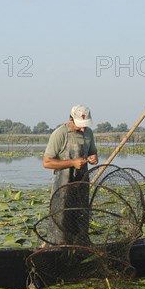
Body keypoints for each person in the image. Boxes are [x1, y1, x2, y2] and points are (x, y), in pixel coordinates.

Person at [43, 105, 98, 245]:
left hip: (81, 185)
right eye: (80, 125)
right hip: (63, 187)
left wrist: (93, 159)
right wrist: (72, 163)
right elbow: (47, 162)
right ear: (71, 120)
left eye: (86, 125)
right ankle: (59, 249)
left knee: (81, 219)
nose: (83, 129)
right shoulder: (60, 134)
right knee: (61, 220)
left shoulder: (89, 133)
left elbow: (92, 153)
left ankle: (80, 249)